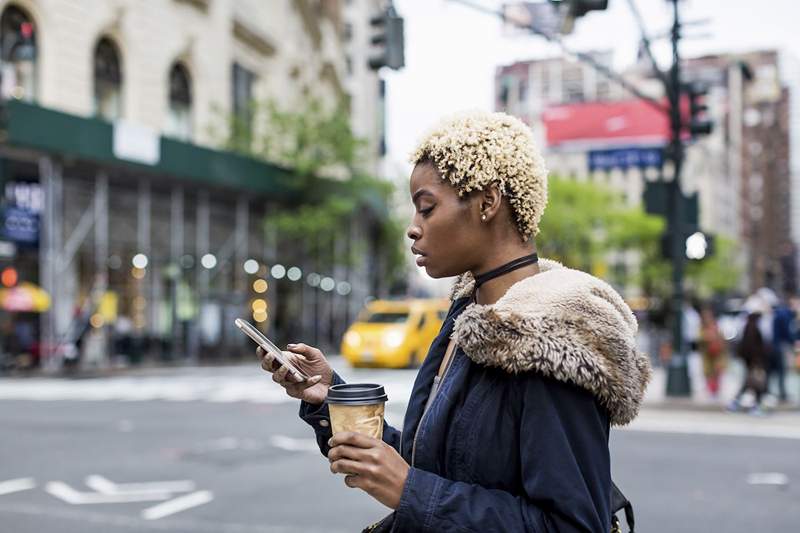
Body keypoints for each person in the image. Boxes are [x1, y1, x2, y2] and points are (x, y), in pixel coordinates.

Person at [256, 111, 652, 531]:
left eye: (426, 208)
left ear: (488, 202)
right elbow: (434, 467)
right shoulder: (466, 318)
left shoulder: (554, 339)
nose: (412, 228)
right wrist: (328, 397)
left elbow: (572, 526)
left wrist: (409, 490)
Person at [699, 305, 726, 397]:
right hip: (707, 354)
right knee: (708, 373)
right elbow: (699, 338)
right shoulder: (701, 327)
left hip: (717, 353)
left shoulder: (716, 325)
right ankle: (711, 391)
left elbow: (722, 338)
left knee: (717, 372)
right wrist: (707, 336)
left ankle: (715, 391)